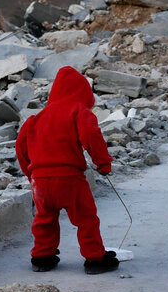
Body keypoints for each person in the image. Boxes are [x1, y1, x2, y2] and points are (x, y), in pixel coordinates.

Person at [16, 66, 119, 275]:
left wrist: (30, 174)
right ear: (82, 94)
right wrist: (103, 163)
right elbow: (91, 133)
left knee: (44, 219)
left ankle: (42, 257)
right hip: (69, 178)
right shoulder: (77, 110)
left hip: (40, 181)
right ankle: (95, 258)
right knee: (86, 218)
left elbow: (20, 146)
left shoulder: (35, 118)